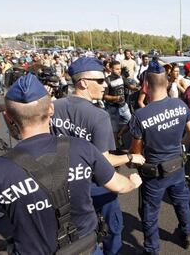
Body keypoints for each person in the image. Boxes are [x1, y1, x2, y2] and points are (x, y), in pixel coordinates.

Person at [0, 73, 143, 254]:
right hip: (85, 248)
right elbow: (119, 185)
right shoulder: (82, 148)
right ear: (51, 110)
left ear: (8, 118)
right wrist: (133, 181)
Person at [50, 57, 145, 255]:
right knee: (112, 228)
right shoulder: (98, 116)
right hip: (96, 185)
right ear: (83, 83)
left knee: (75, 231)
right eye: (100, 81)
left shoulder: (54, 107)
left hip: (62, 184)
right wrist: (130, 158)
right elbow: (103, 160)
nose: (105, 85)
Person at [129, 60, 190, 255]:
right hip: (177, 166)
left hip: (154, 174)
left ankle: (152, 249)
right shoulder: (180, 104)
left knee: (150, 213)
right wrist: (179, 146)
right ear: (166, 83)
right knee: (181, 202)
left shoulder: (140, 115)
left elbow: (135, 154)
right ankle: (187, 235)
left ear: (145, 86)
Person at [103, 60, 132, 136]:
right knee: (114, 129)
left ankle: (120, 135)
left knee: (131, 123)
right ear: (111, 69)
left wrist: (136, 88)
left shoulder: (122, 77)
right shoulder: (107, 80)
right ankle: (116, 145)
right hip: (112, 109)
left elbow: (129, 86)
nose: (119, 71)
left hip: (124, 107)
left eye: (120, 69)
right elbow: (104, 96)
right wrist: (114, 98)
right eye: (117, 69)